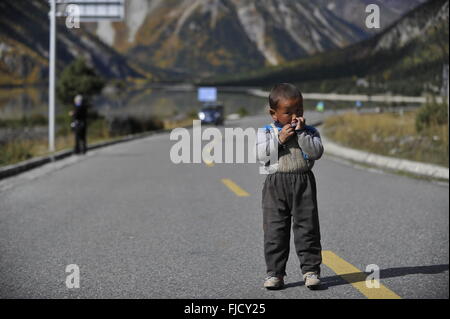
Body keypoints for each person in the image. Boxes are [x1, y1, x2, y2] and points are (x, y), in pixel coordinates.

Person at [256, 83, 324, 290]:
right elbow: (260, 156)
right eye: (288, 113)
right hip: (275, 184)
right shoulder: (266, 132)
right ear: (273, 114)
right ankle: (275, 274)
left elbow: (316, 153)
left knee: (308, 228)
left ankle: (311, 270)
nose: (295, 117)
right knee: (275, 230)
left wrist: (302, 135)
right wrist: (279, 139)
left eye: (299, 111)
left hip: (303, 183)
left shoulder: (310, 131)